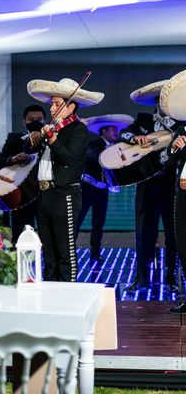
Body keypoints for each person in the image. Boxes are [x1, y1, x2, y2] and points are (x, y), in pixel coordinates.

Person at [26, 78, 104, 281]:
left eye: (57, 104)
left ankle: (69, 297)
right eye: (51, 104)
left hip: (64, 194)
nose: (52, 108)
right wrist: (36, 136)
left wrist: (52, 139)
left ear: (71, 107)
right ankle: (51, 296)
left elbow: (68, 158)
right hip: (43, 194)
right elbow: (30, 149)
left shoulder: (78, 129)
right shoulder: (51, 128)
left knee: (65, 252)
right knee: (49, 253)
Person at [120, 81, 183, 291]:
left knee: (173, 233)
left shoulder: (180, 124)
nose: (163, 104)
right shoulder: (144, 119)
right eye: (160, 100)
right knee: (143, 232)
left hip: (171, 184)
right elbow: (124, 134)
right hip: (146, 183)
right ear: (156, 102)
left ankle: (172, 278)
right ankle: (141, 278)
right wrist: (135, 137)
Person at [78, 115, 133, 263]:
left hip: (102, 190)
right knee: (78, 219)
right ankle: (69, 250)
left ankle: (95, 253)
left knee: (99, 222)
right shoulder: (94, 144)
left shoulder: (117, 148)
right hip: (87, 187)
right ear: (103, 132)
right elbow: (93, 157)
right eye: (112, 129)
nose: (115, 132)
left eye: (116, 129)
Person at [0, 104, 46, 242]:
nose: (35, 122)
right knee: (19, 234)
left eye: (39, 119)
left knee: (47, 234)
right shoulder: (14, 139)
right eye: (31, 119)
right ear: (24, 122)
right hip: (21, 195)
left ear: (45, 121)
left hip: (45, 195)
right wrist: (13, 158)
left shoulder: (50, 140)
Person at [166, 126, 186, 313]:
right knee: (183, 246)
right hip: (182, 194)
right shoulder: (181, 131)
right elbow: (165, 162)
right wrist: (173, 148)